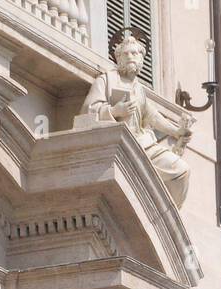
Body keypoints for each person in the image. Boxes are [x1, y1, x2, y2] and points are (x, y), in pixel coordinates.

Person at [80, 27, 194, 207]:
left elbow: (153, 117)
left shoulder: (139, 88)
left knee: (182, 171)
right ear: (118, 58)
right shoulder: (106, 80)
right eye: (126, 54)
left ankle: (167, 214)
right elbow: (88, 111)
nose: (130, 57)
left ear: (141, 59)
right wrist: (115, 111)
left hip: (144, 145)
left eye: (134, 53)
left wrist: (177, 131)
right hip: (121, 145)